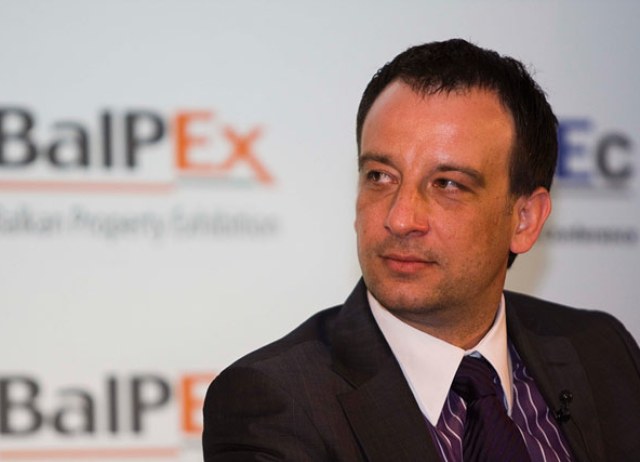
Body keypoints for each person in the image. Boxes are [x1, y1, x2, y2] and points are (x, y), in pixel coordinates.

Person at [202, 39, 640, 461]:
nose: (400, 218)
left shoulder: (602, 351)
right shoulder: (275, 403)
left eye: (447, 184)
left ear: (524, 219)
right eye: (379, 176)